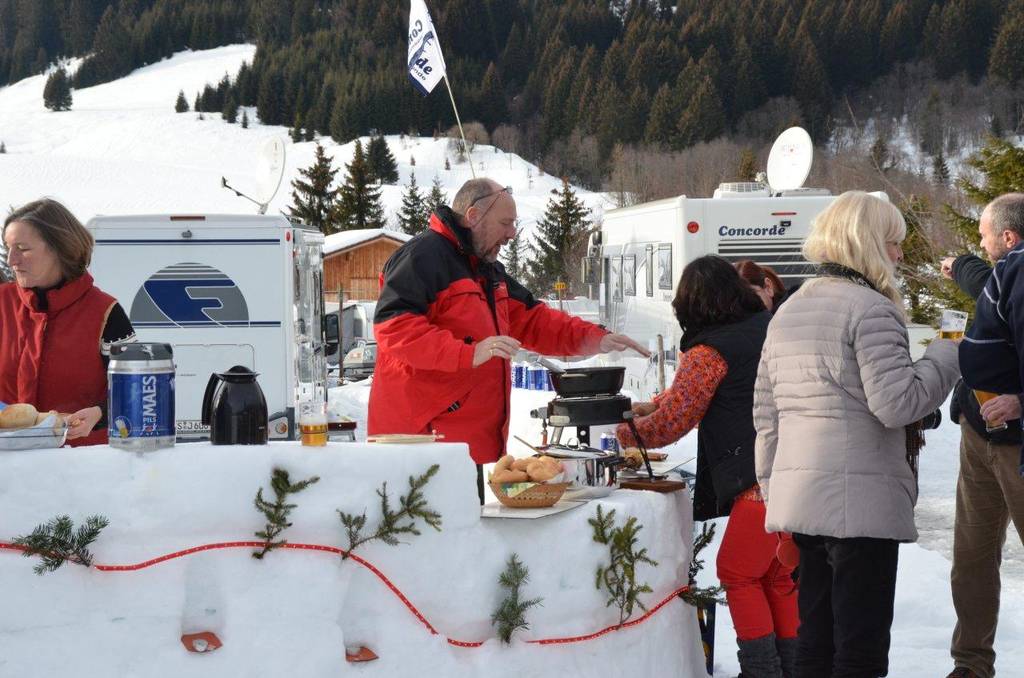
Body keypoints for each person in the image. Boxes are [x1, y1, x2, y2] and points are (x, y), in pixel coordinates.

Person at [754, 191, 961, 678]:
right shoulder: (872, 310)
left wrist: (772, 489)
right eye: (893, 243)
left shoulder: (788, 310)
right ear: (868, 243)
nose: (899, 255)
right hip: (861, 503)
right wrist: (945, 355)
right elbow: (897, 404)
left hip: (803, 502)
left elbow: (767, 415)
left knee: (815, 642)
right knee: (860, 650)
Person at [368, 178, 648, 501]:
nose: (512, 234)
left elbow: (535, 320)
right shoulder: (422, 257)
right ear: (473, 216)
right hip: (418, 448)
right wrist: (468, 353)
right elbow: (394, 327)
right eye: (505, 223)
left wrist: (598, 339)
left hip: (462, 448)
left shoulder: (487, 270)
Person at [617, 255, 799, 678]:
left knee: (737, 572)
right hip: (799, 470)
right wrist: (655, 403)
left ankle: (761, 672)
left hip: (759, 480)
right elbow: (694, 392)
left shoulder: (711, 348)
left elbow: (674, 420)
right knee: (776, 578)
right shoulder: (766, 327)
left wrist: (624, 432)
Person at [951, 193, 1024, 678]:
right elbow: (982, 287)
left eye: (982, 234)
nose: (979, 241)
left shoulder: (1020, 267)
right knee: (972, 559)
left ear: (1008, 238)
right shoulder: (1006, 273)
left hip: (1016, 440)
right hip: (980, 433)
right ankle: (971, 667)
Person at [1, 198, 136, 445]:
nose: (12, 260)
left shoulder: (105, 312)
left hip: (79, 468)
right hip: (9, 471)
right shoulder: (2, 303)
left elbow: (136, 390)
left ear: (59, 248)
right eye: (8, 247)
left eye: (22, 248)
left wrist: (100, 413)